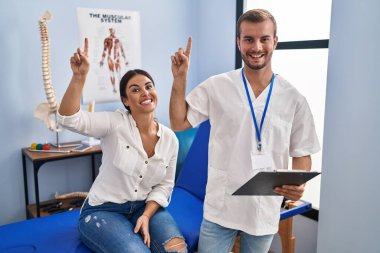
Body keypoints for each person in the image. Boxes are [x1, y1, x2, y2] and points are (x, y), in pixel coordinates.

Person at [170, 9, 320, 253]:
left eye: (264, 39)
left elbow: (302, 153)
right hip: (221, 206)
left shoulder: (294, 99)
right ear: (238, 42)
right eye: (249, 39)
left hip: (263, 210)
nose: (256, 46)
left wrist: (297, 182)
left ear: (275, 41)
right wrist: (179, 81)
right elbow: (179, 123)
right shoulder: (217, 86)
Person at [58, 38, 187, 253]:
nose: (145, 93)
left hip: (145, 207)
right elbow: (68, 119)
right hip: (103, 211)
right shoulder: (114, 123)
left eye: (149, 86)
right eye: (135, 90)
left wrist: (146, 215)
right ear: (126, 100)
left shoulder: (170, 139)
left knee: (178, 249)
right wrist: (78, 77)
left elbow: (164, 186)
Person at [100, 28, 129, 93]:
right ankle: (113, 88)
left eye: (113, 31)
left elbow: (122, 50)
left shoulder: (118, 40)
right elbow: (104, 50)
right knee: (112, 74)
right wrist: (102, 60)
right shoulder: (107, 40)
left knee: (119, 74)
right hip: (110, 58)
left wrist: (125, 60)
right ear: (109, 31)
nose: (112, 32)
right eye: (110, 31)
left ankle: (121, 88)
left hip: (117, 58)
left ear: (114, 31)